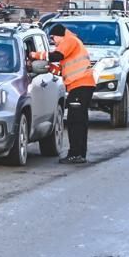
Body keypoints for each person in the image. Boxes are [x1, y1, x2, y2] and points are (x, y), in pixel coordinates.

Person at [44, 24, 96, 164]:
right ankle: (79, 153)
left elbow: (56, 56)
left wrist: (35, 55)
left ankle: (76, 154)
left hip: (81, 86)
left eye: (53, 38)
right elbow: (63, 69)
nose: (53, 41)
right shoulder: (72, 43)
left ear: (59, 35)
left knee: (75, 122)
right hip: (80, 86)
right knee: (78, 121)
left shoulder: (69, 41)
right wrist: (48, 69)